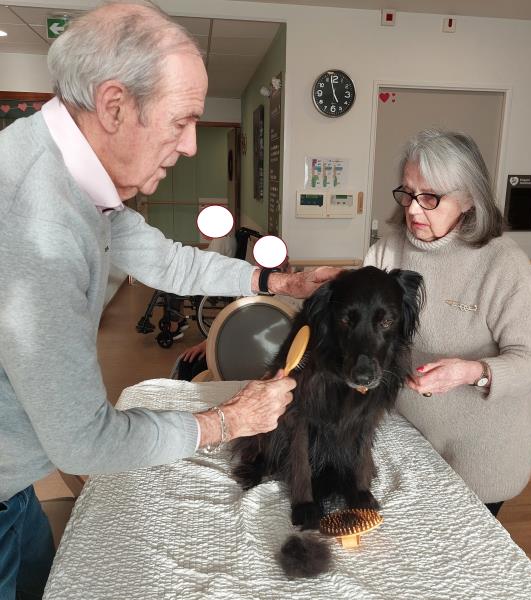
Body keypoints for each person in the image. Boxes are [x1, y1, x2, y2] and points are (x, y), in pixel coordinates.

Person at [0, 4, 339, 598]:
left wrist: (279, 284)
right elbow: (84, 442)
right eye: (181, 121)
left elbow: (166, 259)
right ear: (114, 105)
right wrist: (228, 420)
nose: (189, 145)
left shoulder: (63, 168)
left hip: (14, 486)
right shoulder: (38, 224)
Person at [364, 129, 531, 518]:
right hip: (409, 435)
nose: (414, 209)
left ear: (469, 199)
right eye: (407, 193)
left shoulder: (504, 264)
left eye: (430, 197)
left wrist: (472, 372)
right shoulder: (387, 251)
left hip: (483, 449)